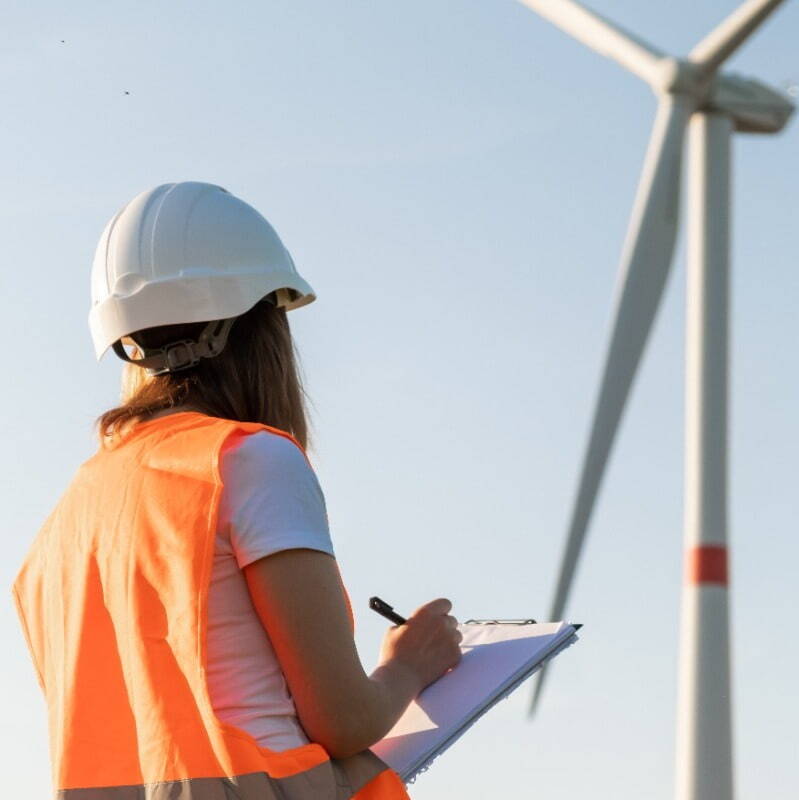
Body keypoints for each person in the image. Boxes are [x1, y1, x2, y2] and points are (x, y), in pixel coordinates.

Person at [12, 182, 462, 799]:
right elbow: (344, 720)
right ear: (256, 328)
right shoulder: (247, 461)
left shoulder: (62, 527)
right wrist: (410, 663)